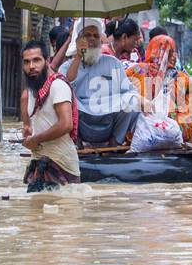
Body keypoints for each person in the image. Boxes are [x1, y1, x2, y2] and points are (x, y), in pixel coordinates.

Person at [60, 17, 141, 147]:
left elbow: (129, 91)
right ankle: (77, 142)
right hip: (81, 122)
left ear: (100, 40)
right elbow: (64, 87)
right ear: (78, 41)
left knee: (132, 100)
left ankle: (114, 143)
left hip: (108, 121)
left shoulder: (113, 62)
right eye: (87, 35)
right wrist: (79, 57)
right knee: (64, 100)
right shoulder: (66, 67)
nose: (92, 38)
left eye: (96, 36)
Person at [20, 39, 80, 190]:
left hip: (61, 165)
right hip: (38, 163)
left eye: (36, 60)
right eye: (27, 62)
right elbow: (29, 128)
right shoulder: (30, 93)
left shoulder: (58, 85)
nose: (31, 66)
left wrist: (36, 139)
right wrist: (28, 137)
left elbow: (66, 124)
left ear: (47, 61)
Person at [126, 34, 192, 142]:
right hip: (175, 131)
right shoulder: (179, 75)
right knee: (191, 95)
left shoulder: (135, 70)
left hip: (141, 130)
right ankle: (190, 137)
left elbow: (120, 87)